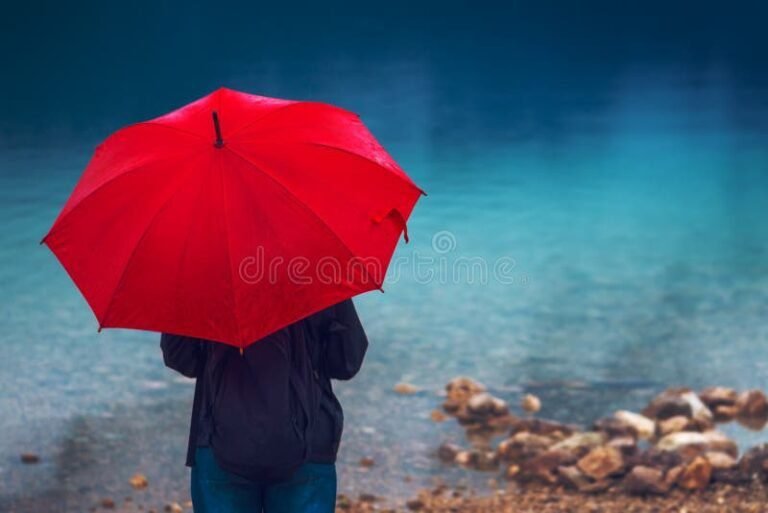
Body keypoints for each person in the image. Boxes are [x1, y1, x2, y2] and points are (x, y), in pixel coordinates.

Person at [160, 299, 368, 513]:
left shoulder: (204, 284)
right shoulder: (316, 281)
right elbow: (347, 361)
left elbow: (181, 358)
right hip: (308, 441)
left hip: (218, 437)